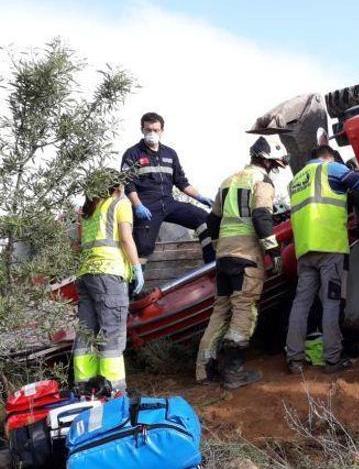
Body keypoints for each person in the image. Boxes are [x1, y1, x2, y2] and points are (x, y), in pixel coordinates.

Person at [194, 136, 288, 389]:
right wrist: (274, 251)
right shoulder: (262, 182)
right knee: (244, 309)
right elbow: (261, 217)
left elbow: (211, 221)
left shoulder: (228, 181)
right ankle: (233, 372)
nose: (275, 170)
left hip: (224, 257)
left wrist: (219, 248)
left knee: (220, 310)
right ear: (267, 161)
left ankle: (203, 371)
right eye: (275, 165)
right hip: (247, 258)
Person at [285, 145, 359, 374]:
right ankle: (333, 359)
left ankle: (294, 360)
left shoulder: (295, 181)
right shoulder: (331, 168)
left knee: (301, 304)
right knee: (331, 303)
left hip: (304, 250)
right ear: (329, 156)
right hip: (329, 246)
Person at [74, 169, 144, 396]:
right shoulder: (118, 203)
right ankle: (113, 392)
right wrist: (136, 267)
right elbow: (125, 238)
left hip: (85, 275)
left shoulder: (88, 209)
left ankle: (85, 389)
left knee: (86, 333)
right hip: (109, 274)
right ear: (117, 186)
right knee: (111, 334)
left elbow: (76, 247)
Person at [121, 112, 216, 266]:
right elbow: (128, 182)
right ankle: (134, 288)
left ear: (162, 131)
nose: (152, 133)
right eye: (148, 130)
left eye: (155, 130)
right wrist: (137, 205)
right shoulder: (132, 153)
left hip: (169, 202)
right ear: (142, 130)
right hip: (146, 206)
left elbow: (181, 182)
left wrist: (200, 197)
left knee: (204, 219)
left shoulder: (170, 154)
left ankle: (211, 263)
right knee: (143, 248)